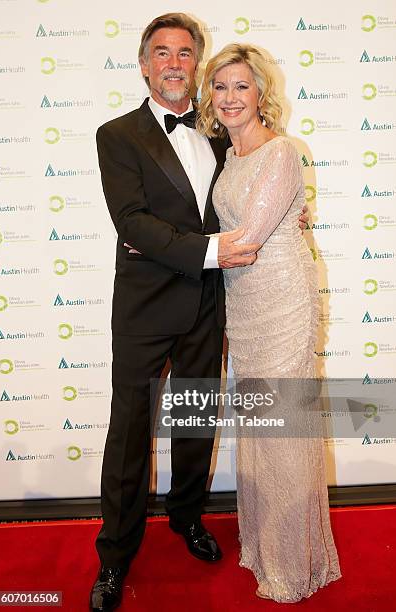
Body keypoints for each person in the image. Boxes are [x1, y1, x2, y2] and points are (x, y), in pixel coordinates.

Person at [91, 14, 308, 611]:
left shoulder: (219, 133)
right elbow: (132, 222)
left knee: (195, 427)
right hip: (144, 308)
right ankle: (114, 555)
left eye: (186, 52)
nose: (174, 62)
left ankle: (187, 518)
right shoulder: (117, 135)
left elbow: (251, 187)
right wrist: (209, 250)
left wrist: (293, 216)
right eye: (161, 52)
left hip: (210, 307)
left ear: (197, 64)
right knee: (130, 432)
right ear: (144, 63)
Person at [197, 43, 341, 603]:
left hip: (281, 299)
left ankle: (294, 561)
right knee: (259, 429)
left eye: (242, 86)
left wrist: (166, 250)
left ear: (262, 93)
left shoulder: (280, 151)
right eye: (221, 87)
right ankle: (263, 544)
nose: (231, 98)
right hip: (244, 305)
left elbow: (250, 240)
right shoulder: (230, 155)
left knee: (283, 431)